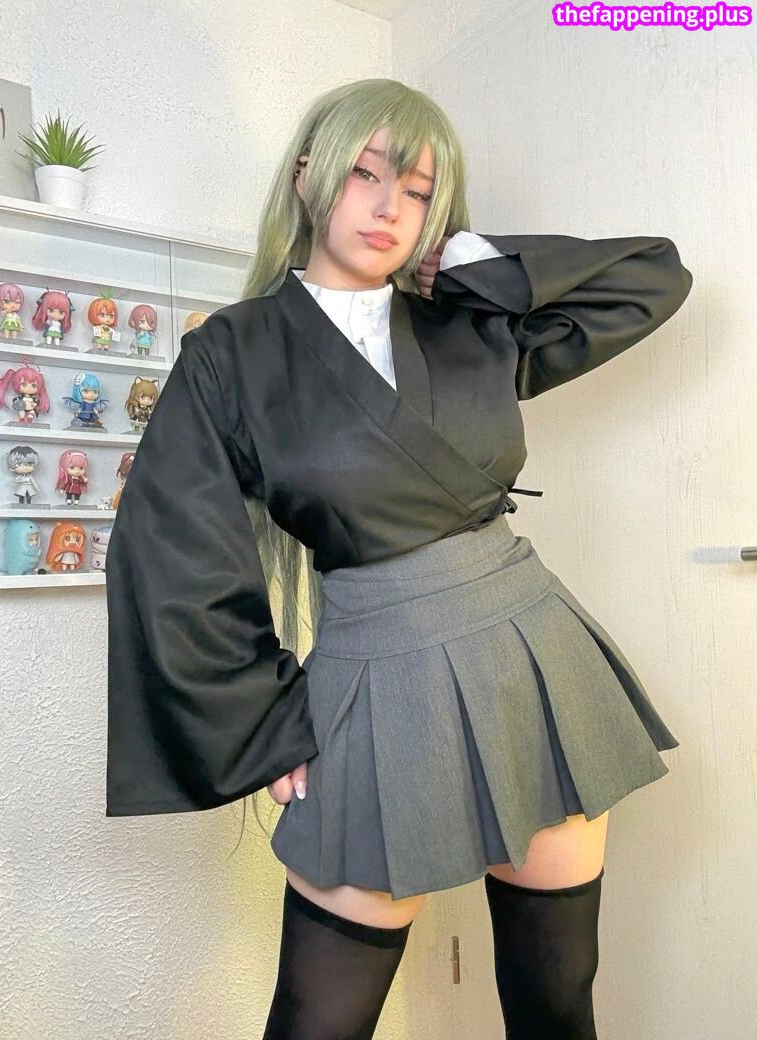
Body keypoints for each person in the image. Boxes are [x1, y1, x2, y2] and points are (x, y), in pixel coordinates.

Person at [105, 78, 693, 1038]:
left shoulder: (465, 319)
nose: (389, 208)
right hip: (375, 673)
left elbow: (652, 279)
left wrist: (471, 264)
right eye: (366, 174)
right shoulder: (232, 353)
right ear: (309, 176)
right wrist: (256, 718)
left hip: (530, 655)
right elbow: (173, 548)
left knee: (557, 999)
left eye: (419, 191)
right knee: (319, 1018)